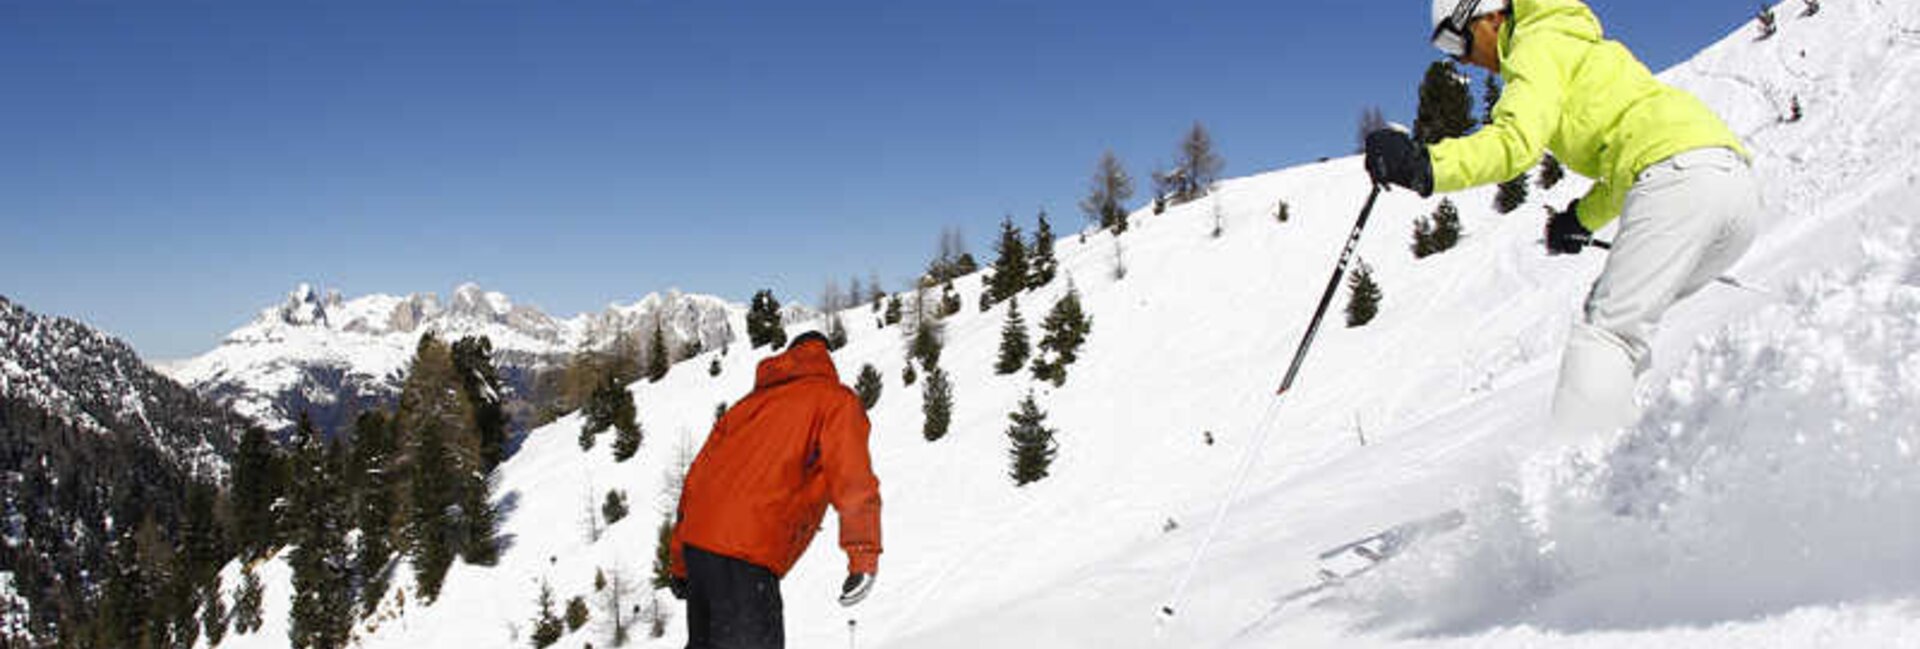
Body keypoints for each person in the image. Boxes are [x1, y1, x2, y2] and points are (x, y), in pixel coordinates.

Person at [1365, 0, 1760, 439]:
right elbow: (1626, 155)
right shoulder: (1568, 39)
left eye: (1456, 40)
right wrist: (1582, 219)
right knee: (1619, 331)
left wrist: (1425, 166)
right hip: (1731, 190)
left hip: (1680, 180)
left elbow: (1515, 143)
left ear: (1491, 14)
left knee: (1607, 336)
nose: (1462, 59)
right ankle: (1657, 459)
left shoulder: (1535, 44)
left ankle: (1589, 485)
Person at [668, 331, 883, 649]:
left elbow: (697, 483)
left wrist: (680, 562)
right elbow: (853, 481)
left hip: (700, 548)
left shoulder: (747, 406)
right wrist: (863, 555)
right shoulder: (834, 400)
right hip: (746, 553)